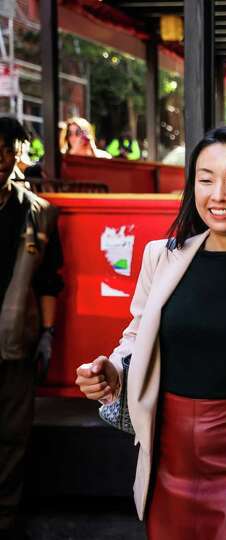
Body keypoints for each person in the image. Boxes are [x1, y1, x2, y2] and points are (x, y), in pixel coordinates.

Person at [74, 126, 226, 538]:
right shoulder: (162, 257)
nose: (217, 194)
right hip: (168, 454)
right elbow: (137, 335)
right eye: (205, 179)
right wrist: (113, 369)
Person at [0, 116, 63, 539]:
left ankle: (3, 523)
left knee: (10, 437)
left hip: (14, 345)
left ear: (14, 156)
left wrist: (46, 335)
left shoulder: (37, 213)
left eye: (6, 150)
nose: (1, 158)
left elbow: (49, 281)